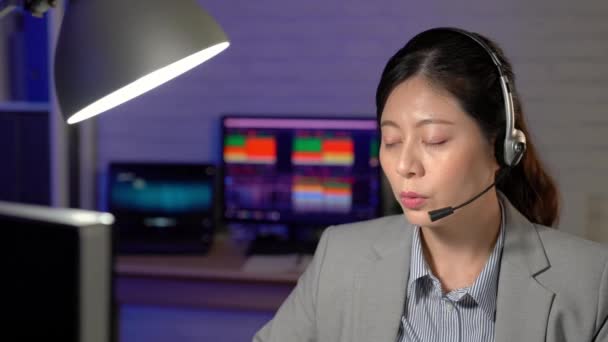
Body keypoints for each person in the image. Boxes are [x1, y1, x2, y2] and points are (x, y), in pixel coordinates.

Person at [252, 27, 608, 342]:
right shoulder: (339, 257)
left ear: (502, 148)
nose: (405, 166)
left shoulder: (593, 284)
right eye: (391, 141)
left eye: (434, 140)